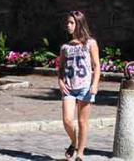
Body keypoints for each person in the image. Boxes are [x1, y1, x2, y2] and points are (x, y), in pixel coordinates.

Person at [57, 9, 101, 160]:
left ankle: (80, 153)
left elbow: (97, 66)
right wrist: (60, 82)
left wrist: (95, 84)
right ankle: (74, 142)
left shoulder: (90, 43)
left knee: (83, 121)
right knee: (67, 120)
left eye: (71, 23)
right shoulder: (65, 47)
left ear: (79, 24)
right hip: (69, 87)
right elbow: (61, 67)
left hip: (85, 87)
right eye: (67, 23)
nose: (68, 26)